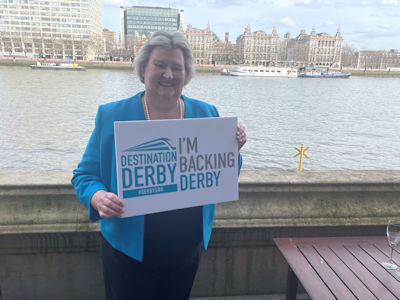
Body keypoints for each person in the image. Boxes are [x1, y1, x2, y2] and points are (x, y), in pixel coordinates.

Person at [71, 31, 247, 300]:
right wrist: (98, 197)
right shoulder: (112, 114)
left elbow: (224, 173)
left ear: (186, 73)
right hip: (128, 250)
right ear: (144, 69)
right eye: (160, 65)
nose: (168, 74)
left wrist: (234, 148)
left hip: (186, 249)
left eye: (176, 67)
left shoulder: (206, 113)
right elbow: (85, 175)